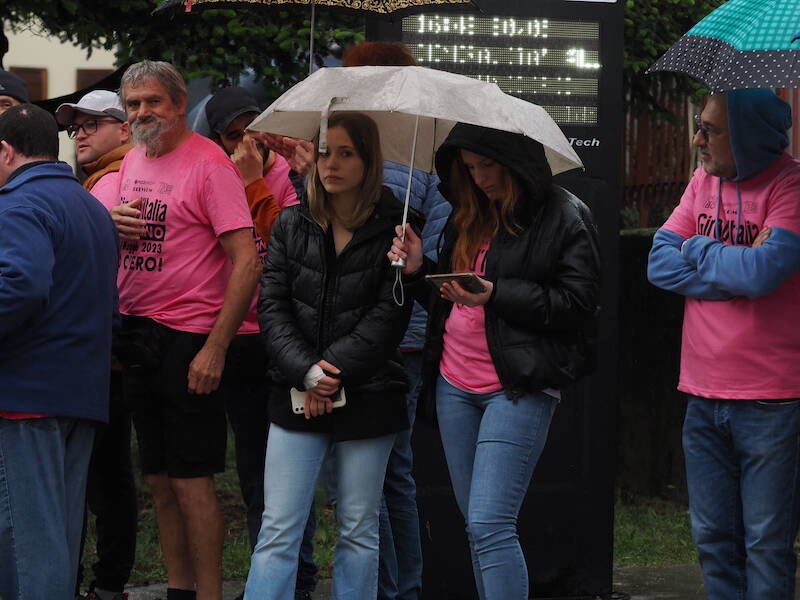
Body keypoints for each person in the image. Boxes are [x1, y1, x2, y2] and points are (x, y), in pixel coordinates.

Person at [388, 123, 601, 600]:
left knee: (489, 523)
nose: (480, 177)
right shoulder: (469, 213)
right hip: (453, 383)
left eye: (488, 165)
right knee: (477, 527)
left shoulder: (566, 215)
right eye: (469, 168)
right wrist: (422, 269)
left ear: (515, 162)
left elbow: (579, 304)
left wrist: (496, 294)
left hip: (518, 384)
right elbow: (451, 304)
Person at [244, 111, 414, 600]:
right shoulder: (291, 223)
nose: (331, 163)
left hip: (369, 394)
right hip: (295, 391)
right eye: (323, 151)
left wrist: (330, 374)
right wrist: (308, 373)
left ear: (369, 160)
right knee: (279, 529)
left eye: (346, 152)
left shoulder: (397, 229)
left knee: (359, 528)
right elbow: (271, 307)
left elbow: (389, 317)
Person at [109, 61, 261, 600]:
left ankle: (210, 595)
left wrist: (216, 347)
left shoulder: (210, 165)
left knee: (194, 481)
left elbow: (247, 261)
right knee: (158, 478)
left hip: (191, 337)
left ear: (178, 104)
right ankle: (178, 590)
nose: (142, 113)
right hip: (138, 334)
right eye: (133, 105)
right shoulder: (131, 160)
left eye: (153, 102)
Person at [647, 89, 800, 599]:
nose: (697, 140)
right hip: (702, 394)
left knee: (765, 544)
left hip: (772, 401)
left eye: (709, 129)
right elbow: (658, 264)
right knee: (713, 539)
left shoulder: (791, 185)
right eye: (699, 124)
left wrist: (698, 248)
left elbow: (765, 273)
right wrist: (728, 264)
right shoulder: (701, 180)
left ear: (749, 134)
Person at [340, 40, 451, 600]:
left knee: (381, 477)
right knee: (379, 478)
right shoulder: (345, 153)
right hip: (357, 338)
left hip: (391, 340)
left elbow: (428, 264)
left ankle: (395, 588)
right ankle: (394, 587)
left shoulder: (417, 160)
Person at [204, 86, 319, 600]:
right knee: (255, 474)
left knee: (299, 472)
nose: (248, 145)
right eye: (235, 136)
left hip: (293, 338)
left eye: (256, 131)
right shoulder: (214, 173)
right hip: (244, 338)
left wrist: (256, 180)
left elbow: (291, 245)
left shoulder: (294, 175)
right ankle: (270, 581)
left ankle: (302, 576)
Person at [0, 104, 119, 599]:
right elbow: (110, 305)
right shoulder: (89, 205)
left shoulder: (16, 205)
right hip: (80, 392)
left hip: (25, 394)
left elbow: (19, 286)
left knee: (27, 540)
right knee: (59, 536)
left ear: (5, 152)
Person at [55, 89, 137, 600]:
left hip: (110, 346)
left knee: (102, 475)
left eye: (93, 123)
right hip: (103, 345)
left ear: (124, 128)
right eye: (75, 126)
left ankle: (106, 583)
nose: (81, 132)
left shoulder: (121, 177)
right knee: (98, 475)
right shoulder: (97, 180)